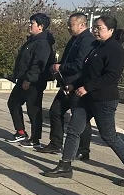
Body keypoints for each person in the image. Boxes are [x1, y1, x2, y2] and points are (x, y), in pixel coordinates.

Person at [44, 16, 124, 186]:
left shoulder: (115, 49)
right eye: (95, 27)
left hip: (103, 99)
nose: (96, 31)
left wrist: (87, 87)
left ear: (111, 30)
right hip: (86, 98)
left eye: (100, 28)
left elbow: (111, 76)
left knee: (109, 135)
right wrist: (74, 85)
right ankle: (65, 165)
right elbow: (86, 73)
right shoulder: (96, 46)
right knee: (74, 130)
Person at [37, 13, 94, 157]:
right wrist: (57, 67)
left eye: (71, 24)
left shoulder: (87, 41)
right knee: (55, 112)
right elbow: (67, 60)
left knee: (80, 118)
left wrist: (61, 67)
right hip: (65, 84)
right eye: (68, 24)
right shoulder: (74, 39)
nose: (68, 27)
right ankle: (55, 143)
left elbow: (79, 65)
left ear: (82, 25)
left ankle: (83, 150)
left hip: (77, 84)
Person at [6, 13, 54, 148]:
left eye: (32, 23)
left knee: (33, 109)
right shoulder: (32, 40)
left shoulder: (43, 43)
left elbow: (38, 64)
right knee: (13, 103)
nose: (29, 25)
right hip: (23, 79)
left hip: (34, 81)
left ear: (41, 26)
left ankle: (35, 139)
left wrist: (29, 79)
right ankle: (21, 132)